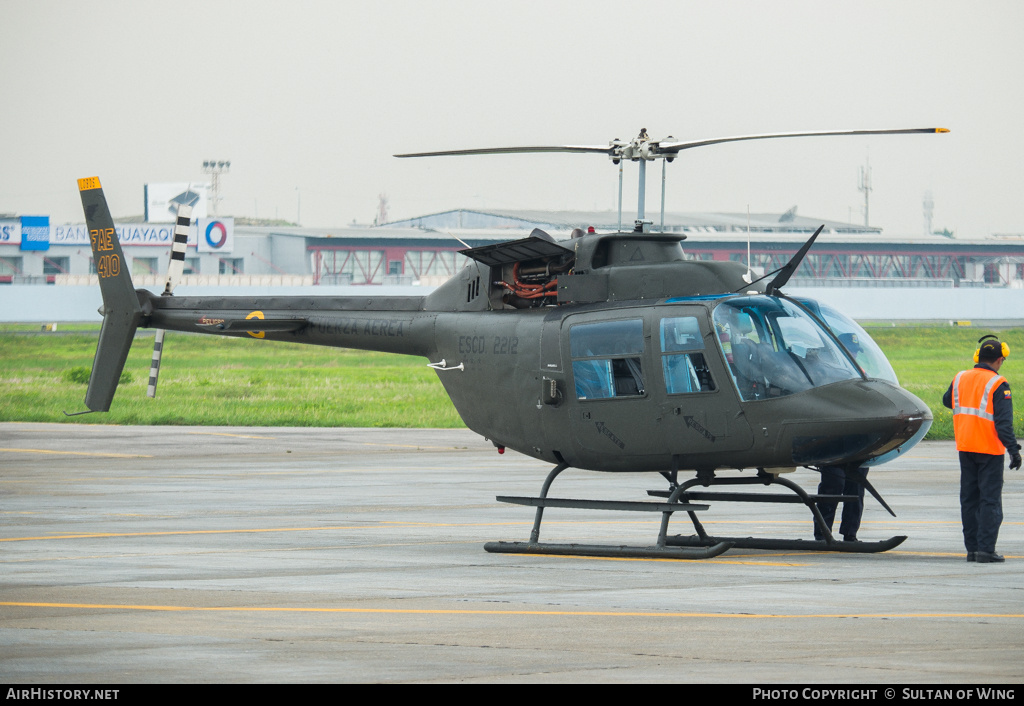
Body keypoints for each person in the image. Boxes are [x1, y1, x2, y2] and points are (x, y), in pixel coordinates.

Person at [942, 335, 1022, 563]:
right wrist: (1013, 450)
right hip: (989, 449)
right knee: (990, 500)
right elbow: (1003, 423)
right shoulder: (998, 384)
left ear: (978, 357)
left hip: (966, 447)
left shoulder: (960, 378)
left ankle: (972, 550)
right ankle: (986, 550)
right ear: (999, 359)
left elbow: (948, 401)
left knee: (969, 499)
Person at [814, 465, 867, 542]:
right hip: (833, 455)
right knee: (834, 485)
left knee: (856, 490)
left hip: (858, 457)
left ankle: (850, 533)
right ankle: (822, 533)